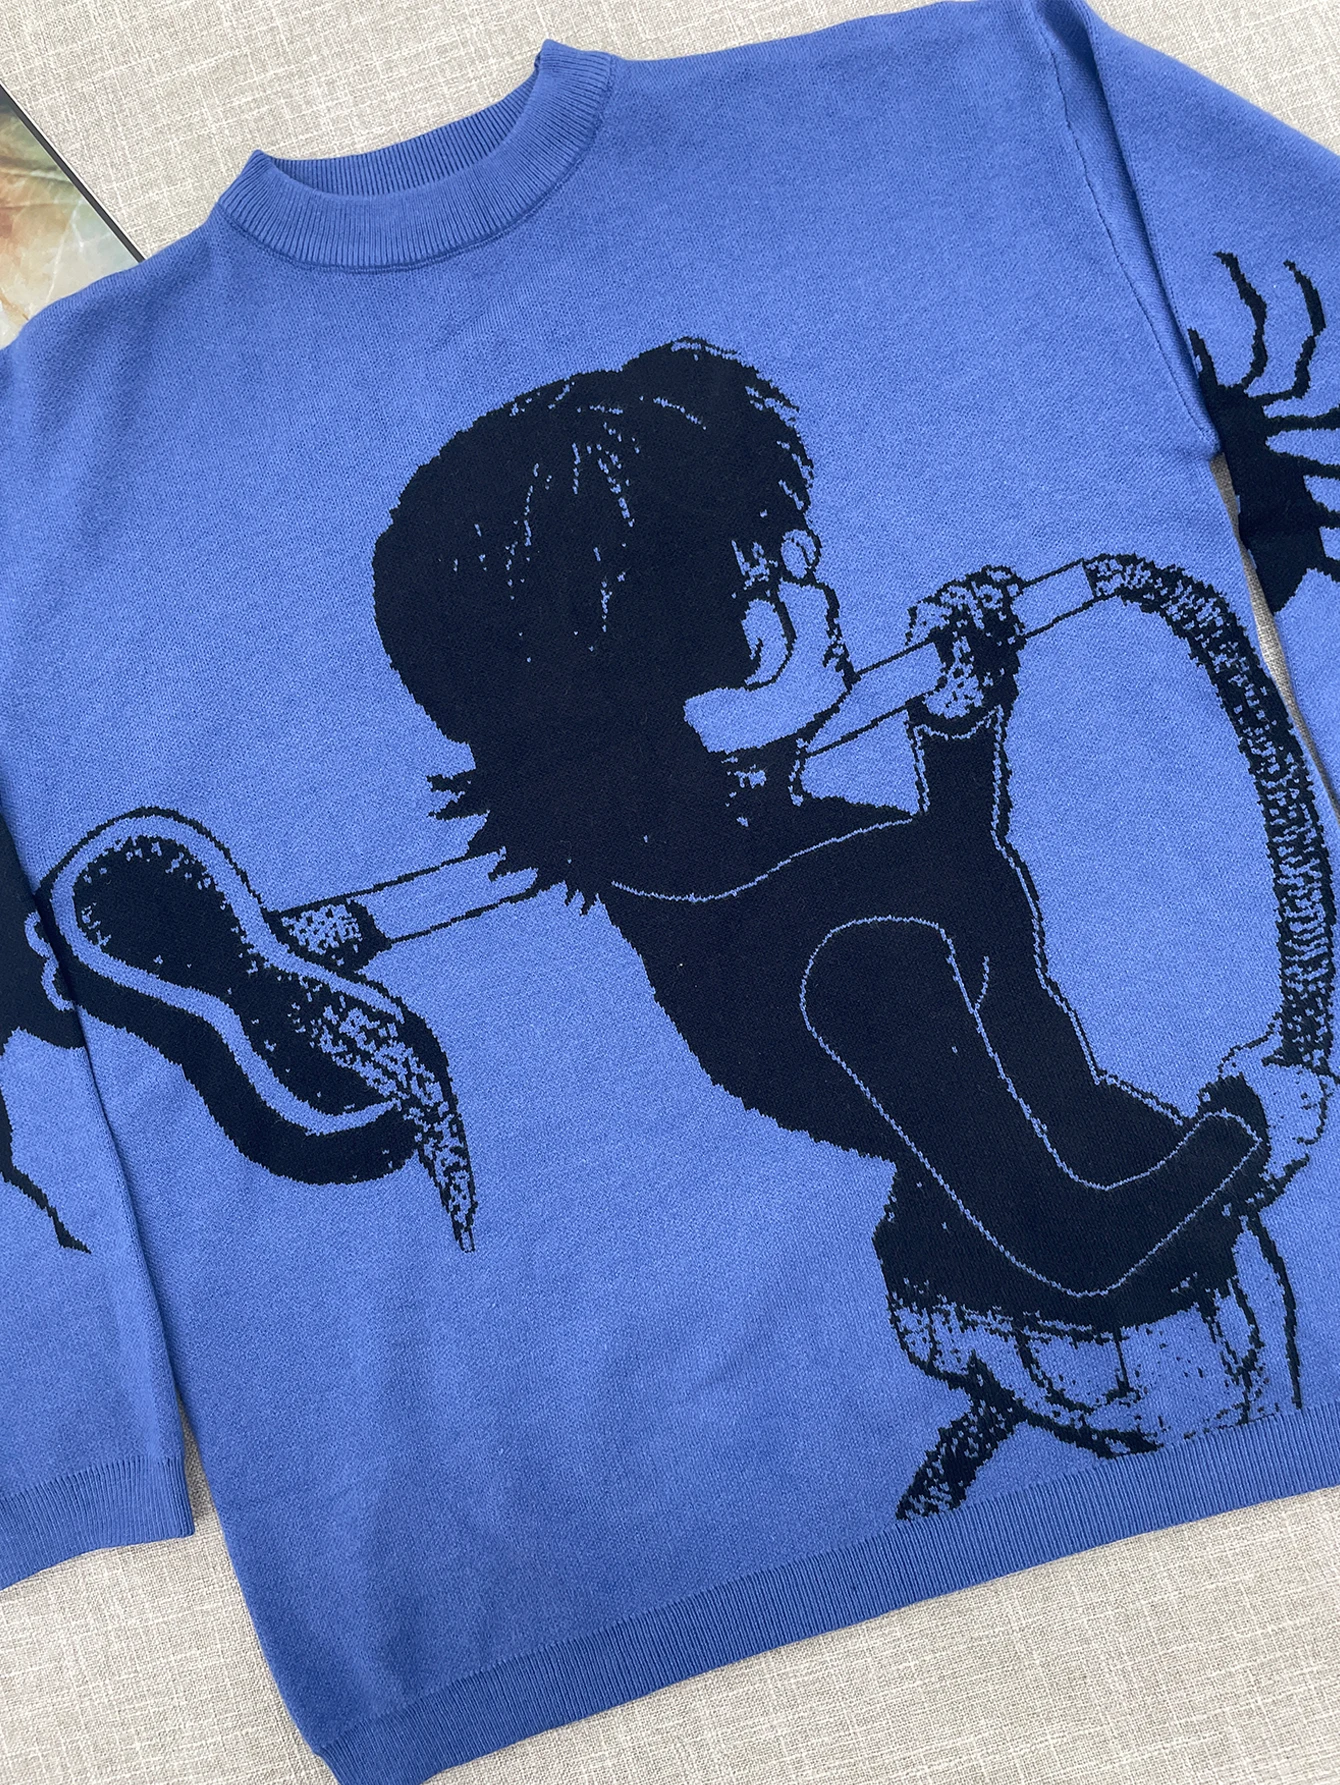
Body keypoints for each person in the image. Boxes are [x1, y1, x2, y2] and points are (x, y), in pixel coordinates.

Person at [372, 335, 1326, 1512]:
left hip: (980, 1251)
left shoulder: (703, 870)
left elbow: (955, 927)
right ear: (659, 673)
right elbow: (1076, 1247)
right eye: (765, 572)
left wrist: (958, 732)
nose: (811, 567)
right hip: (1128, 1297)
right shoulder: (848, 945)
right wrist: (1249, 1128)